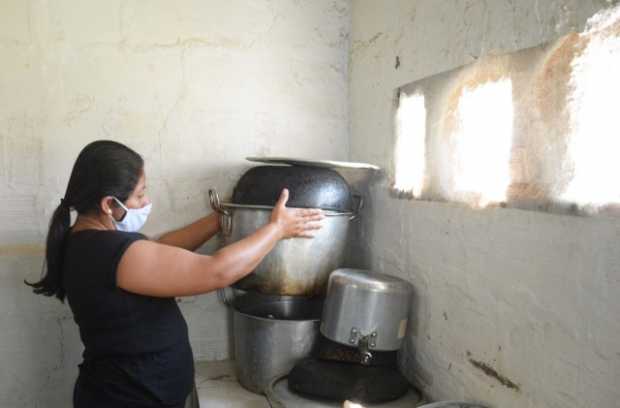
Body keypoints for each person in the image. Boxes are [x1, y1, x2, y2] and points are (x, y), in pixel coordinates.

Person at [25, 140, 324, 408]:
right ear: (108, 205)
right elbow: (217, 271)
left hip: (125, 392)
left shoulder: (85, 242)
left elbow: (158, 249)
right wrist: (277, 230)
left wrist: (220, 220)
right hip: (129, 398)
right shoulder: (110, 252)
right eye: (140, 195)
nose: (146, 202)